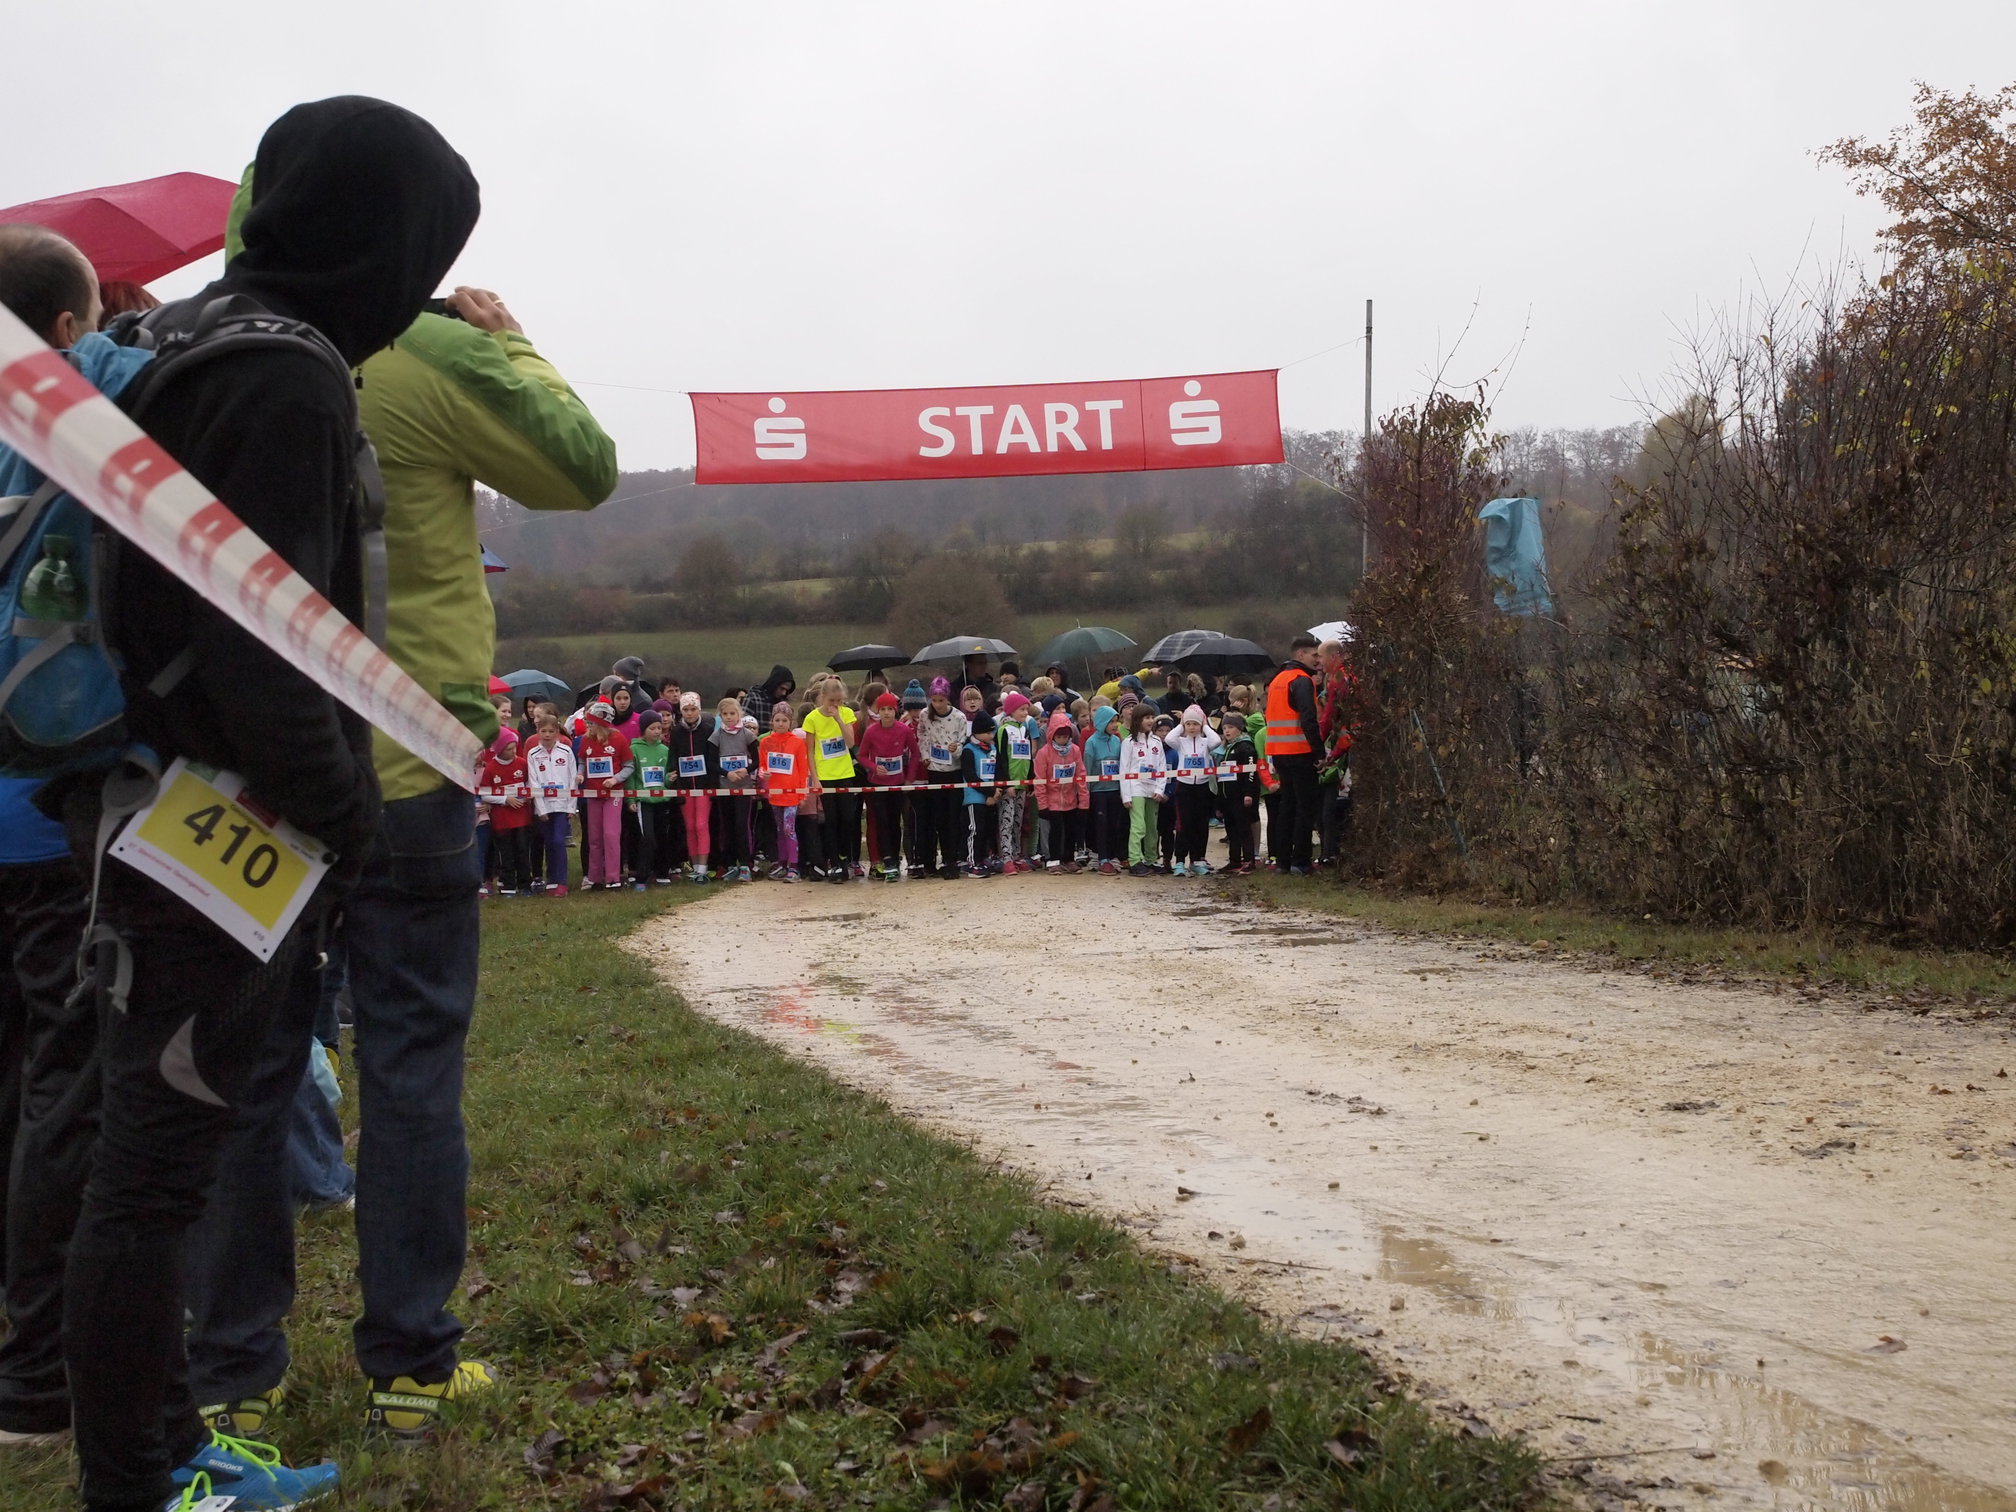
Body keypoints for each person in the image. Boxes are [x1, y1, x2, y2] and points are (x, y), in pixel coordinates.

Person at [40, 97, 481, 1512]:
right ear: (385, 239)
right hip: (220, 822)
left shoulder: (185, 335)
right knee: (153, 1170)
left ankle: (174, 1445)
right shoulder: (287, 376)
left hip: (136, 793)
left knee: (158, 1153)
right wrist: (344, 818)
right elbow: (264, 641)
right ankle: (140, 1480)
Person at [0, 228, 144, 1454]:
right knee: (65, 1093)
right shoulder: (58, 401)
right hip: (37, 813)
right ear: (59, 330)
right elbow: (126, 374)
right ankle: (38, 1376)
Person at [1265, 635, 1325, 874]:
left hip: (1278, 752)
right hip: (1300, 751)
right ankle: (1301, 861)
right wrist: (1319, 752)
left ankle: (1282, 861)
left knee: (1287, 807)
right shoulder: (1302, 680)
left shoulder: (1278, 679)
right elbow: (1308, 718)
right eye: (1314, 655)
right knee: (1305, 808)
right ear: (1301, 654)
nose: (1318, 660)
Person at [855, 693, 919, 880]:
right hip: (878, 785)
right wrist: (874, 767)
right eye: (882, 709)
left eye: (890, 709)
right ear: (878, 711)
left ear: (895, 711)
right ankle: (887, 860)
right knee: (881, 822)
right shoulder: (871, 731)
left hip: (897, 784)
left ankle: (895, 859)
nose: (886, 713)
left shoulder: (903, 730)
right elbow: (861, 755)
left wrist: (909, 779)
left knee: (895, 822)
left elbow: (915, 754)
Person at [801, 681, 859, 884]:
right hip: (825, 776)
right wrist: (815, 778)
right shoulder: (812, 718)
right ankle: (834, 863)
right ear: (822, 697)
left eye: (839, 700)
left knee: (848, 819)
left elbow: (851, 742)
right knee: (831, 820)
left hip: (844, 773)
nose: (835, 704)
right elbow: (809, 751)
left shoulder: (846, 713)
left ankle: (844, 857)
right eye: (831, 700)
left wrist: (838, 719)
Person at [915, 679, 969, 881]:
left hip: (954, 771)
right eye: (934, 700)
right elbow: (921, 734)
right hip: (935, 771)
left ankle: (952, 860)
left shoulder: (959, 717)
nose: (937, 704)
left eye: (941, 700)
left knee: (953, 818)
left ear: (948, 699)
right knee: (939, 818)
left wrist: (956, 750)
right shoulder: (925, 715)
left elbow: (963, 741)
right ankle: (942, 859)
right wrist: (925, 755)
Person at [757, 702, 814, 881]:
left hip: (792, 794)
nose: (780, 723)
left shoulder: (797, 743)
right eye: (777, 720)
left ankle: (794, 866)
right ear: (772, 722)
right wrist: (763, 774)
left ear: (790, 722)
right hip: (775, 793)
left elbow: (803, 770)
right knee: (780, 829)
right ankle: (782, 863)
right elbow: (762, 766)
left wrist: (803, 794)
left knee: (789, 829)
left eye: (784, 720)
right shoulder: (765, 742)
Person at [1163, 705, 1223, 875]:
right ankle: (1180, 861)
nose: (1192, 727)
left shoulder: (1205, 742)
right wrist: (1181, 724)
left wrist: (1205, 725)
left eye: (1195, 724)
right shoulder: (1181, 742)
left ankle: (1197, 860)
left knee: (1201, 824)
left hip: (1203, 787)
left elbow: (1216, 741)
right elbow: (1169, 738)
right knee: (1184, 824)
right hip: (1184, 787)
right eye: (1188, 724)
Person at [1315, 639, 1357, 867]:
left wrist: (1319, 746)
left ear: (1333, 657)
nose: (1318, 663)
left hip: (1350, 741)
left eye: (1321, 657)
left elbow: (1330, 715)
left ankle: (1333, 851)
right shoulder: (1354, 673)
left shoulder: (1339, 679)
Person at [525, 716, 577, 897]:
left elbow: (572, 779)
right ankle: (552, 880)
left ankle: (561, 881)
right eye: (543, 731)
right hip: (544, 807)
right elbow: (533, 781)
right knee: (548, 843)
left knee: (558, 841)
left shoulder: (566, 751)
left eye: (551, 731)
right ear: (537, 732)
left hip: (562, 805)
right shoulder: (533, 754)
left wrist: (571, 807)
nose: (547, 735)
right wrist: (540, 809)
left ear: (557, 732)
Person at [668, 694, 717, 882]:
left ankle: (703, 867)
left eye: (693, 709)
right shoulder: (676, 732)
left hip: (704, 786)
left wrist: (712, 785)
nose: (689, 713)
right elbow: (673, 757)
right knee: (689, 826)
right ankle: (695, 867)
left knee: (701, 825)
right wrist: (675, 779)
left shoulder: (708, 730)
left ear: (699, 710)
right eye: (686, 710)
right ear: (681, 711)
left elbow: (712, 758)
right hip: (685, 787)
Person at [476, 729, 531, 896]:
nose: (513, 752)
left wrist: (527, 795)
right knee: (506, 854)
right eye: (509, 749)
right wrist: (505, 799)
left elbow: (529, 784)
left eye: (515, 747)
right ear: (499, 750)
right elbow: (485, 794)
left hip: (522, 818)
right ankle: (508, 886)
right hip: (502, 820)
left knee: (522, 851)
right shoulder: (491, 768)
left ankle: (525, 885)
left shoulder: (522, 763)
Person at [1032, 711, 1088, 873]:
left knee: (1071, 831)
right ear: (1052, 735)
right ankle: (1053, 860)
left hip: (1071, 800)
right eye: (1059, 736)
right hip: (1052, 802)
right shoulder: (1044, 753)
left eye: (1065, 736)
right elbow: (1040, 780)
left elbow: (1081, 777)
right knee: (1055, 832)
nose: (1062, 740)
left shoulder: (1075, 751)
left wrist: (1084, 802)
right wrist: (1042, 805)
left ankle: (1069, 859)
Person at [711, 697, 759, 882]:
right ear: (720, 715)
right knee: (727, 827)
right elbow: (711, 762)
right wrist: (726, 773)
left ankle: (745, 864)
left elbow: (757, 760)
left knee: (741, 826)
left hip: (744, 788)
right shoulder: (716, 736)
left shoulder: (747, 735)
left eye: (732, 713)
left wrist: (746, 770)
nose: (729, 717)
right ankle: (730, 865)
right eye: (725, 714)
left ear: (739, 714)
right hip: (725, 788)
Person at [1119, 704, 1169, 877]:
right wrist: (1126, 796)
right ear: (1137, 720)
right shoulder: (1129, 742)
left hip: (1152, 789)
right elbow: (1124, 769)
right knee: (1138, 826)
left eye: (1152, 717)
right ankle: (1134, 860)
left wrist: (1160, 789)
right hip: (1136, 789)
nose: (1150, 721)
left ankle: (1150, 859)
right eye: (1146, 718)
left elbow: (1162, 767)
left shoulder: (1157, 741)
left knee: (1152, 828)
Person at [626, 711, 675, 887]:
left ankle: (662, 873)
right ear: (643, 730)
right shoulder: (634, 749)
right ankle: (641, 876)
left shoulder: (665, 750)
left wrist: (669, 779)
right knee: (648, 838)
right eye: (652, 728)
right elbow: (631, 777)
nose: (656, 731)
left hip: (662, 800)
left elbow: (666, 776)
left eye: (659, 728)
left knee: (663, 837)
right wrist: (631, 799)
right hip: (643, 801)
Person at [994, 692, 1037, 874]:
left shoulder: (1025, 730)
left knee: (1019, 821)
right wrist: (1006, 784)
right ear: (1011, 710)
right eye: (1022, 709)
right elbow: (1001, 758)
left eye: (1027, 709)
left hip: (1022, 783)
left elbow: (1028, 757)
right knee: (1007, 820)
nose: (1025, 712)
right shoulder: (1003, 730)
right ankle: (1006, 857)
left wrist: (1031, 781)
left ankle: (1017, 854)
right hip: (1009, 784)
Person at [1082, 706, 1126, 874]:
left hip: (1114, 789)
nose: (1115, 725)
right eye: (1111, 722)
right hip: (1098, 792)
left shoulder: (1117, 741)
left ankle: (1113, 855)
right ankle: (1102, 858)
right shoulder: (1091, 743)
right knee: (1101, 824)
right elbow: (1087, 769)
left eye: (1116, 721)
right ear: (1101, 722)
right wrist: (1086, 793)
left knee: (1114, 824)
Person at [1219, 711, 1260, 874]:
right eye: (1224, 728)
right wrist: (1219, 800)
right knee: (1231, 830)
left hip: (1240, 796)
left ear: (1240, 728)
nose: (1227, 731)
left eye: (1231, 727)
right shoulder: (1226, 748)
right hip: (1227, 796)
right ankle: (1234, 860)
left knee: (1244, 828)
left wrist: (1248, 793)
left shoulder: (1246, 747)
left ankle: (1249, 860)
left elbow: (1250, 772)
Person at [959, 713, 1000, 876]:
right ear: (977, 732)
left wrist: (994, 793)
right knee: (974, 830)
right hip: (974, 797)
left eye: (992, 732)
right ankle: (972, 862)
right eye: (988, 733)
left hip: (991, 797)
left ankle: (983, 859)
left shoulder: (992, 749)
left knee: (987, 830)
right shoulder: (968, 750)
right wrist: (990, 791)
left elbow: (996, 771)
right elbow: (971, 777)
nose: (991, 736)